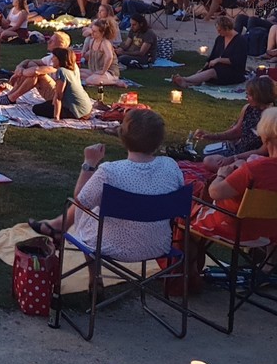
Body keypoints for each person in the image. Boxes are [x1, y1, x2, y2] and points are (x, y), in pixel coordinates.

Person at [27, 108, 183, 263]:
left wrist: (89, 163)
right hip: (158, 246)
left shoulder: (109, 171)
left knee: (92, 206)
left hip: (111, 246)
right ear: (159, 140)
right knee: (98, 200)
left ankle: (95, 278)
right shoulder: (171, 166)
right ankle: (58, 226)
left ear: (123, 136)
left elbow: (80, 201)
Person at [190, 106, 277, 245]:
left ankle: (186, 266)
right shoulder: (253, 168)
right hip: (271, 233)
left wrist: (221, 175)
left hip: (240, 230)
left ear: (265, 138)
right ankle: (268, 265)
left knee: (184, 215)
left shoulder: (254, 169)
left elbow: (215, 193)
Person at [195, 75, 275, 164]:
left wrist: (233, 158)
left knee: (224, 163)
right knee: (208, 159)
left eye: (248, 94)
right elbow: (237, 131)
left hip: (255, 158)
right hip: (239, 150)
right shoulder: (248, 108)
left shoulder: (272, 117)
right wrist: (210, 135)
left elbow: (263, 151)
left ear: (258, 96)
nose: (246, 97)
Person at [0, 31, 72, 106]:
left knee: (37, 75)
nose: (48, 42)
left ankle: (12, 98)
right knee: (30, 64)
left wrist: (20, 72)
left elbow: (37, 71)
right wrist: (19, 68)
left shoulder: (64, 59)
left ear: (61, 44)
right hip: (53, 90)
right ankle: (10, 95)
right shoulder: (52, 57)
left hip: (60, 96)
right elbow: (29, 61)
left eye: (52, 41)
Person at [173, 15, 248, 88]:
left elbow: (237, 61)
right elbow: (213, 56)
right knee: (204, 72)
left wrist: (219, 60)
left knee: (212, 72)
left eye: (220, 30)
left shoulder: (240, 41)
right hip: (221, 67)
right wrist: (205, 67)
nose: (218, 33)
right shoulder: (220, 39)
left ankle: (185, 79)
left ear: (227, 28)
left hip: (234, 71)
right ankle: (187, 83)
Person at [31, 47, 93, 121]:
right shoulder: (73, 69)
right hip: (87, 108)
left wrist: (56, 116)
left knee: (36, 109)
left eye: (54, 57)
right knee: (48, 104)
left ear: (59, 59)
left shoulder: (61, 71)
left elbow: (58, 96)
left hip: (76, 111)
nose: (52, 59)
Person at [79, 18, 122, 87]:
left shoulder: (105, 43)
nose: (92, 33)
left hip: (109, 72)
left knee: (89, 80)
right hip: (96, 70)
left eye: (95, 31)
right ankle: (96, 78)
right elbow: (89, 55)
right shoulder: (92, 41)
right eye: (92, 30)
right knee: (78, 73)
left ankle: (115, 82)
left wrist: (103, 71)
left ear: (102, 33)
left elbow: (109, 57)